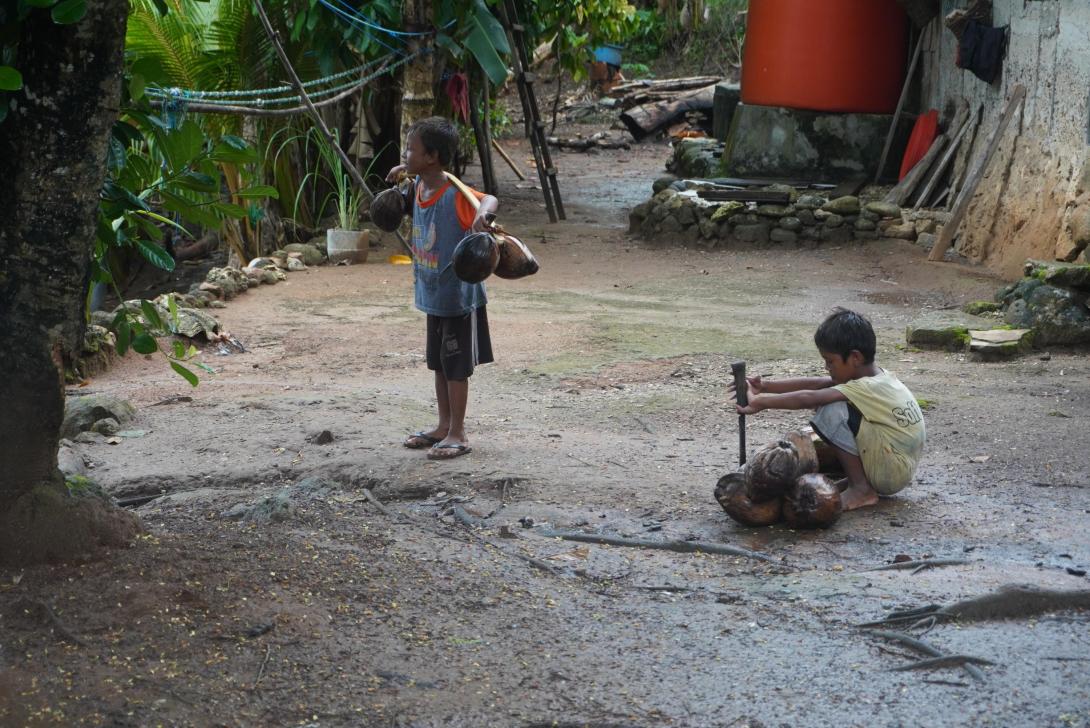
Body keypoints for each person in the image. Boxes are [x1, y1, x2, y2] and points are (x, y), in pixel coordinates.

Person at [730, 308, 925, 510]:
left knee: (832, 410)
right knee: (836, 404)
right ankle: (858, 481)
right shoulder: (876, 378)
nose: (827, 367)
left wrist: (760, 402)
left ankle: (861, 489)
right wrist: (765, 386)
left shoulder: (866, 387)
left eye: (830, 361)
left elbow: (809, 398)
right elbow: (819, 383)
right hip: (896, 466)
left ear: (855, 357)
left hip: (891, 471)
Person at [386, 117, 499, 460]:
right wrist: (402, 176)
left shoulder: (454, 192)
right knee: (439, 363)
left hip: (457, 297)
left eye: (411, 149)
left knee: (455, 365)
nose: (405, 154)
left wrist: (482, 215)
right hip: (434, 294)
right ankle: (442, 425)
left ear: (432, 156)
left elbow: (489, 198)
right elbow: (401, 197)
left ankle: (458, 433)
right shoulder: (419, 186)